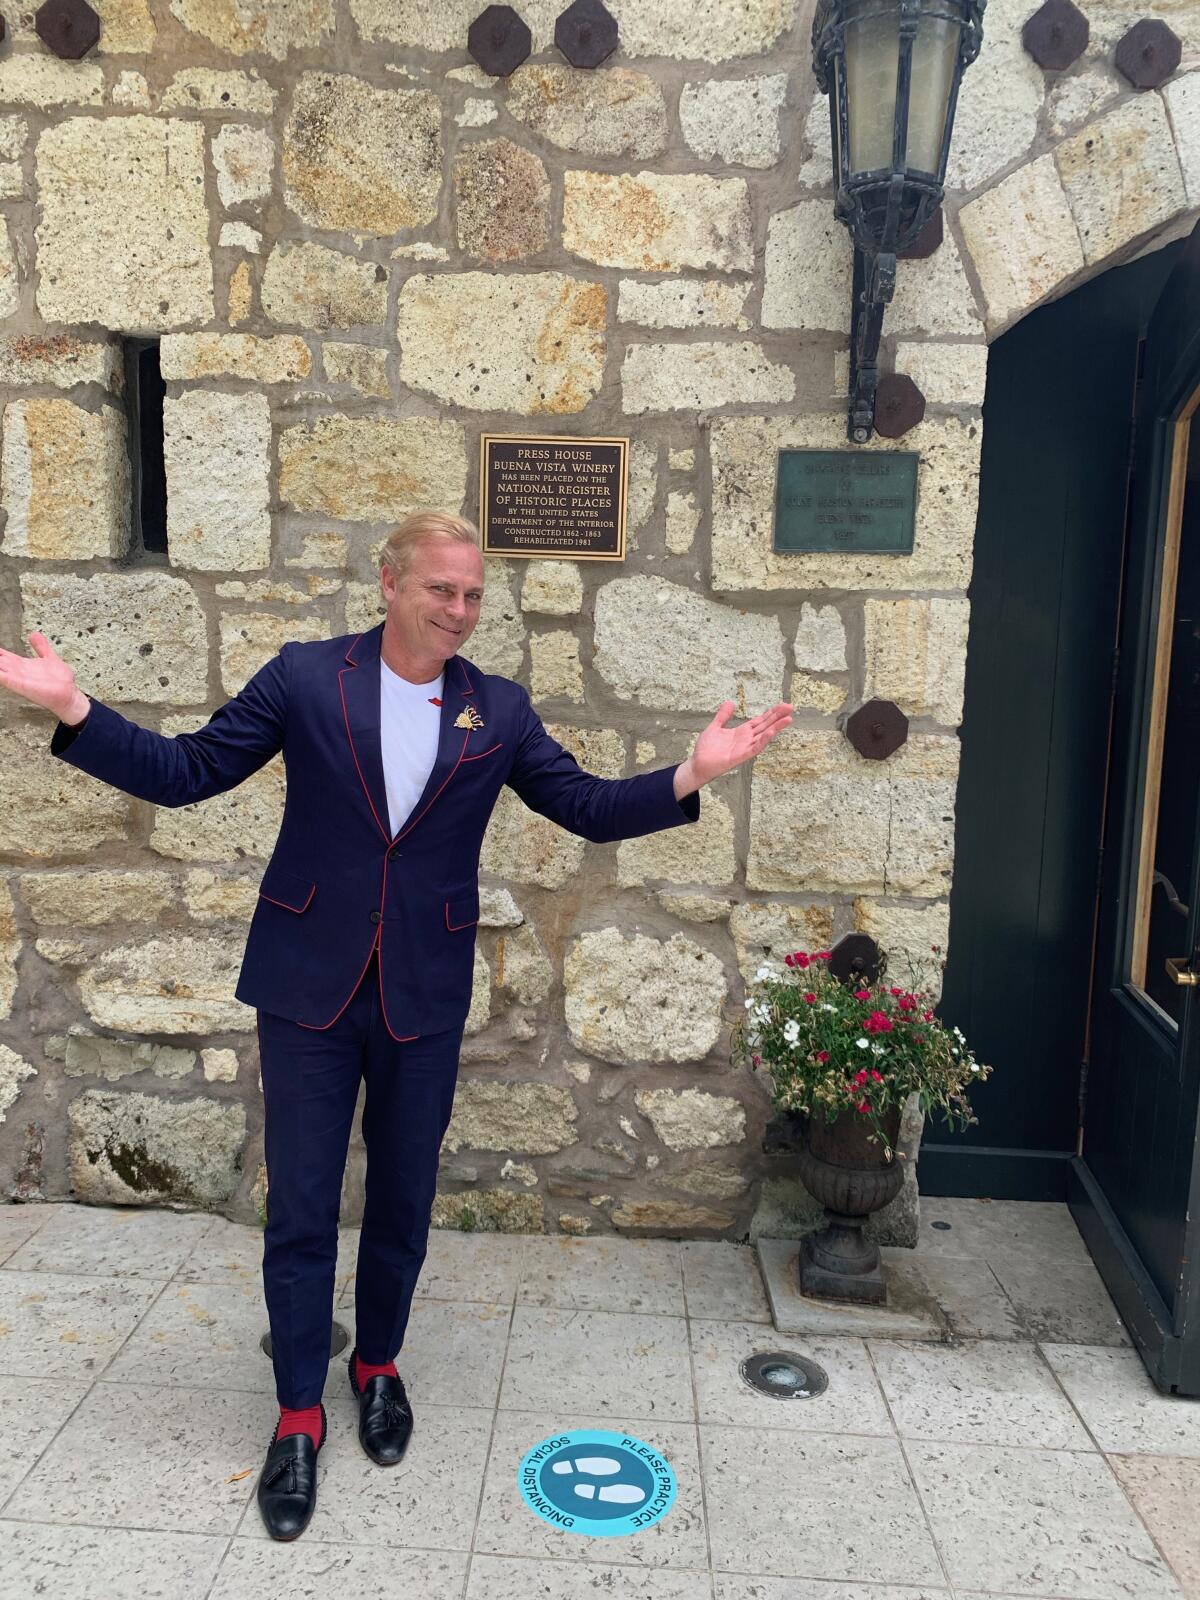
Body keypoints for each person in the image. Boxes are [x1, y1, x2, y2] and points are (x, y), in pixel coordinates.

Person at [0, 509, 793, 1540]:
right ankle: (295, 1416)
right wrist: (78, 709)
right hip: (307, 989)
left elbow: (587, 806)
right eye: (443, 590)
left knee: (406, 1199)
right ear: (390, 583)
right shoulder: (304, 675)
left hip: (422, 988)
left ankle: (378, 1366)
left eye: (473, 595)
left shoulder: (496, 709)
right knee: (302, 1206)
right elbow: (190, 773)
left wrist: (692, 775)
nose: (461, 611)